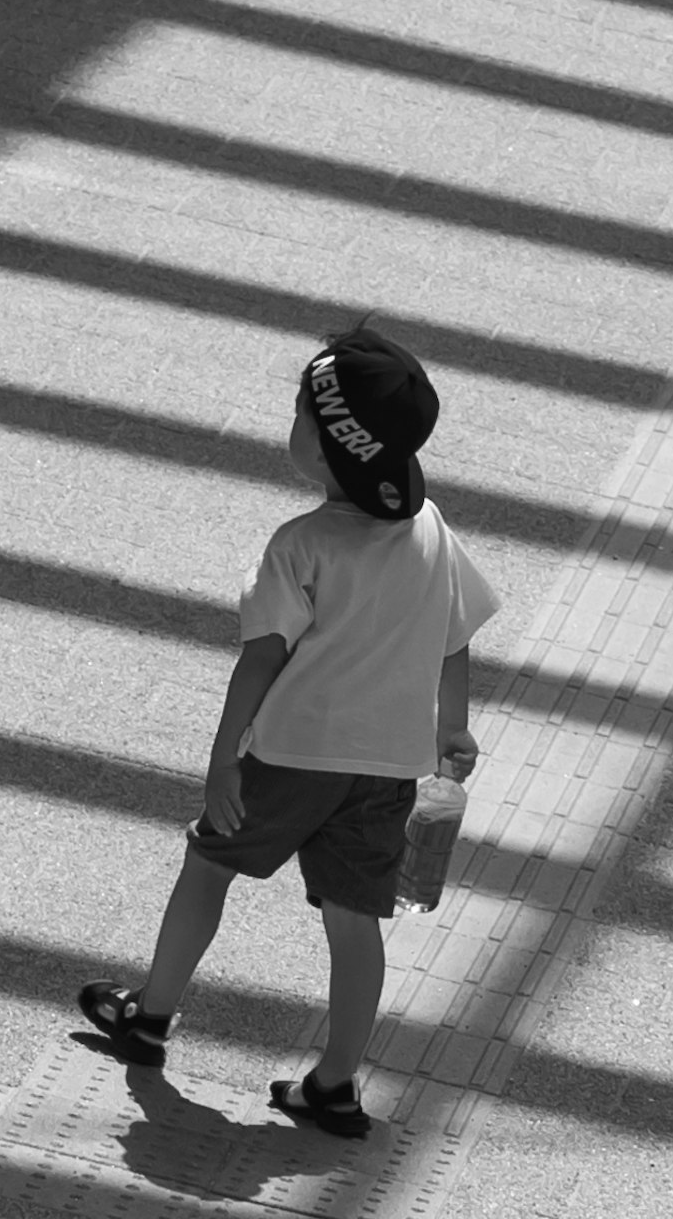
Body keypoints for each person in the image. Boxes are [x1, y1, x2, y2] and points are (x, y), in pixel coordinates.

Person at [77, 327, 500, 1138]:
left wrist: (221, 767)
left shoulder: (300, 546)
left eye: (300, 409)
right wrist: (454, 727)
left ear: (324, 447)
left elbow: (258, 664)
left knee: (208, 866)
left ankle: (150, 1015)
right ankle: (335, 1085)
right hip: (386, 771)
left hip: (289, 758)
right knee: (354, 922)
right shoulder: (432, 531)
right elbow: (456, 636)